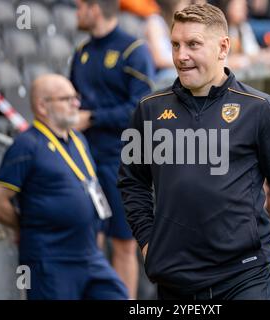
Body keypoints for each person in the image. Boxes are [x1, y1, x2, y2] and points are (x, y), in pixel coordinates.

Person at [118, 3, 270, 300]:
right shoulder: (149, 109)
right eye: (175, 45)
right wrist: (148, 242)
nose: (181, 56)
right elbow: (132, 182)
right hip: (176, 277)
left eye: (193, 44)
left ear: (223, 47)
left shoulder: (260, 108)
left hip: (243, 275)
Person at [0, 74, 128, 300]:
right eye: (66, 99)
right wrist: (25, 226)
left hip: (89, 256)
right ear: (43, 106)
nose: (76, 104)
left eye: (76, 97)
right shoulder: (27, 145)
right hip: (51, 259)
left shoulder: (78, 140)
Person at [70, 0, 155, 299]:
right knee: (89, 239)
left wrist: (93, 117)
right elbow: (73, 100)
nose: (75, 12)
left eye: (80, 6)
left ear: (96, 8)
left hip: (121, 161)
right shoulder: (81, 52)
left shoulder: (133, 50)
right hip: (83, 161)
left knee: (123, 243)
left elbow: (141, 107)